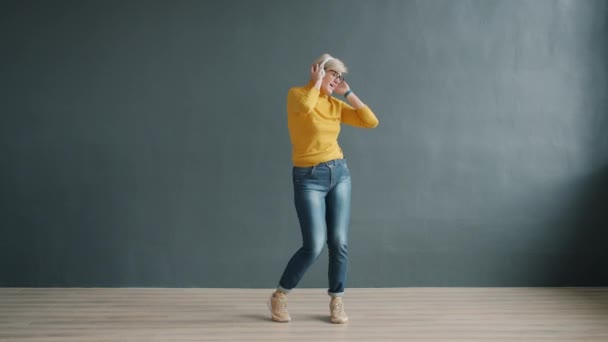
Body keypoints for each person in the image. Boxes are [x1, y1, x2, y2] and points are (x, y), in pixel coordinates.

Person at [268, 53, 379, 324]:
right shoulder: (297, 95)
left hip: (339, 174)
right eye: (334, 75)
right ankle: (279, 296)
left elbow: (370, 121)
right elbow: (306, 107)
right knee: (314, 244)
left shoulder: (334, 104)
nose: (337, 80)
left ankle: (337, 300)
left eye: (341, 77)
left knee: (339, 241)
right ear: (319, 71)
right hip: (308, 178)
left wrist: (348, 93)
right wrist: (316, 83)